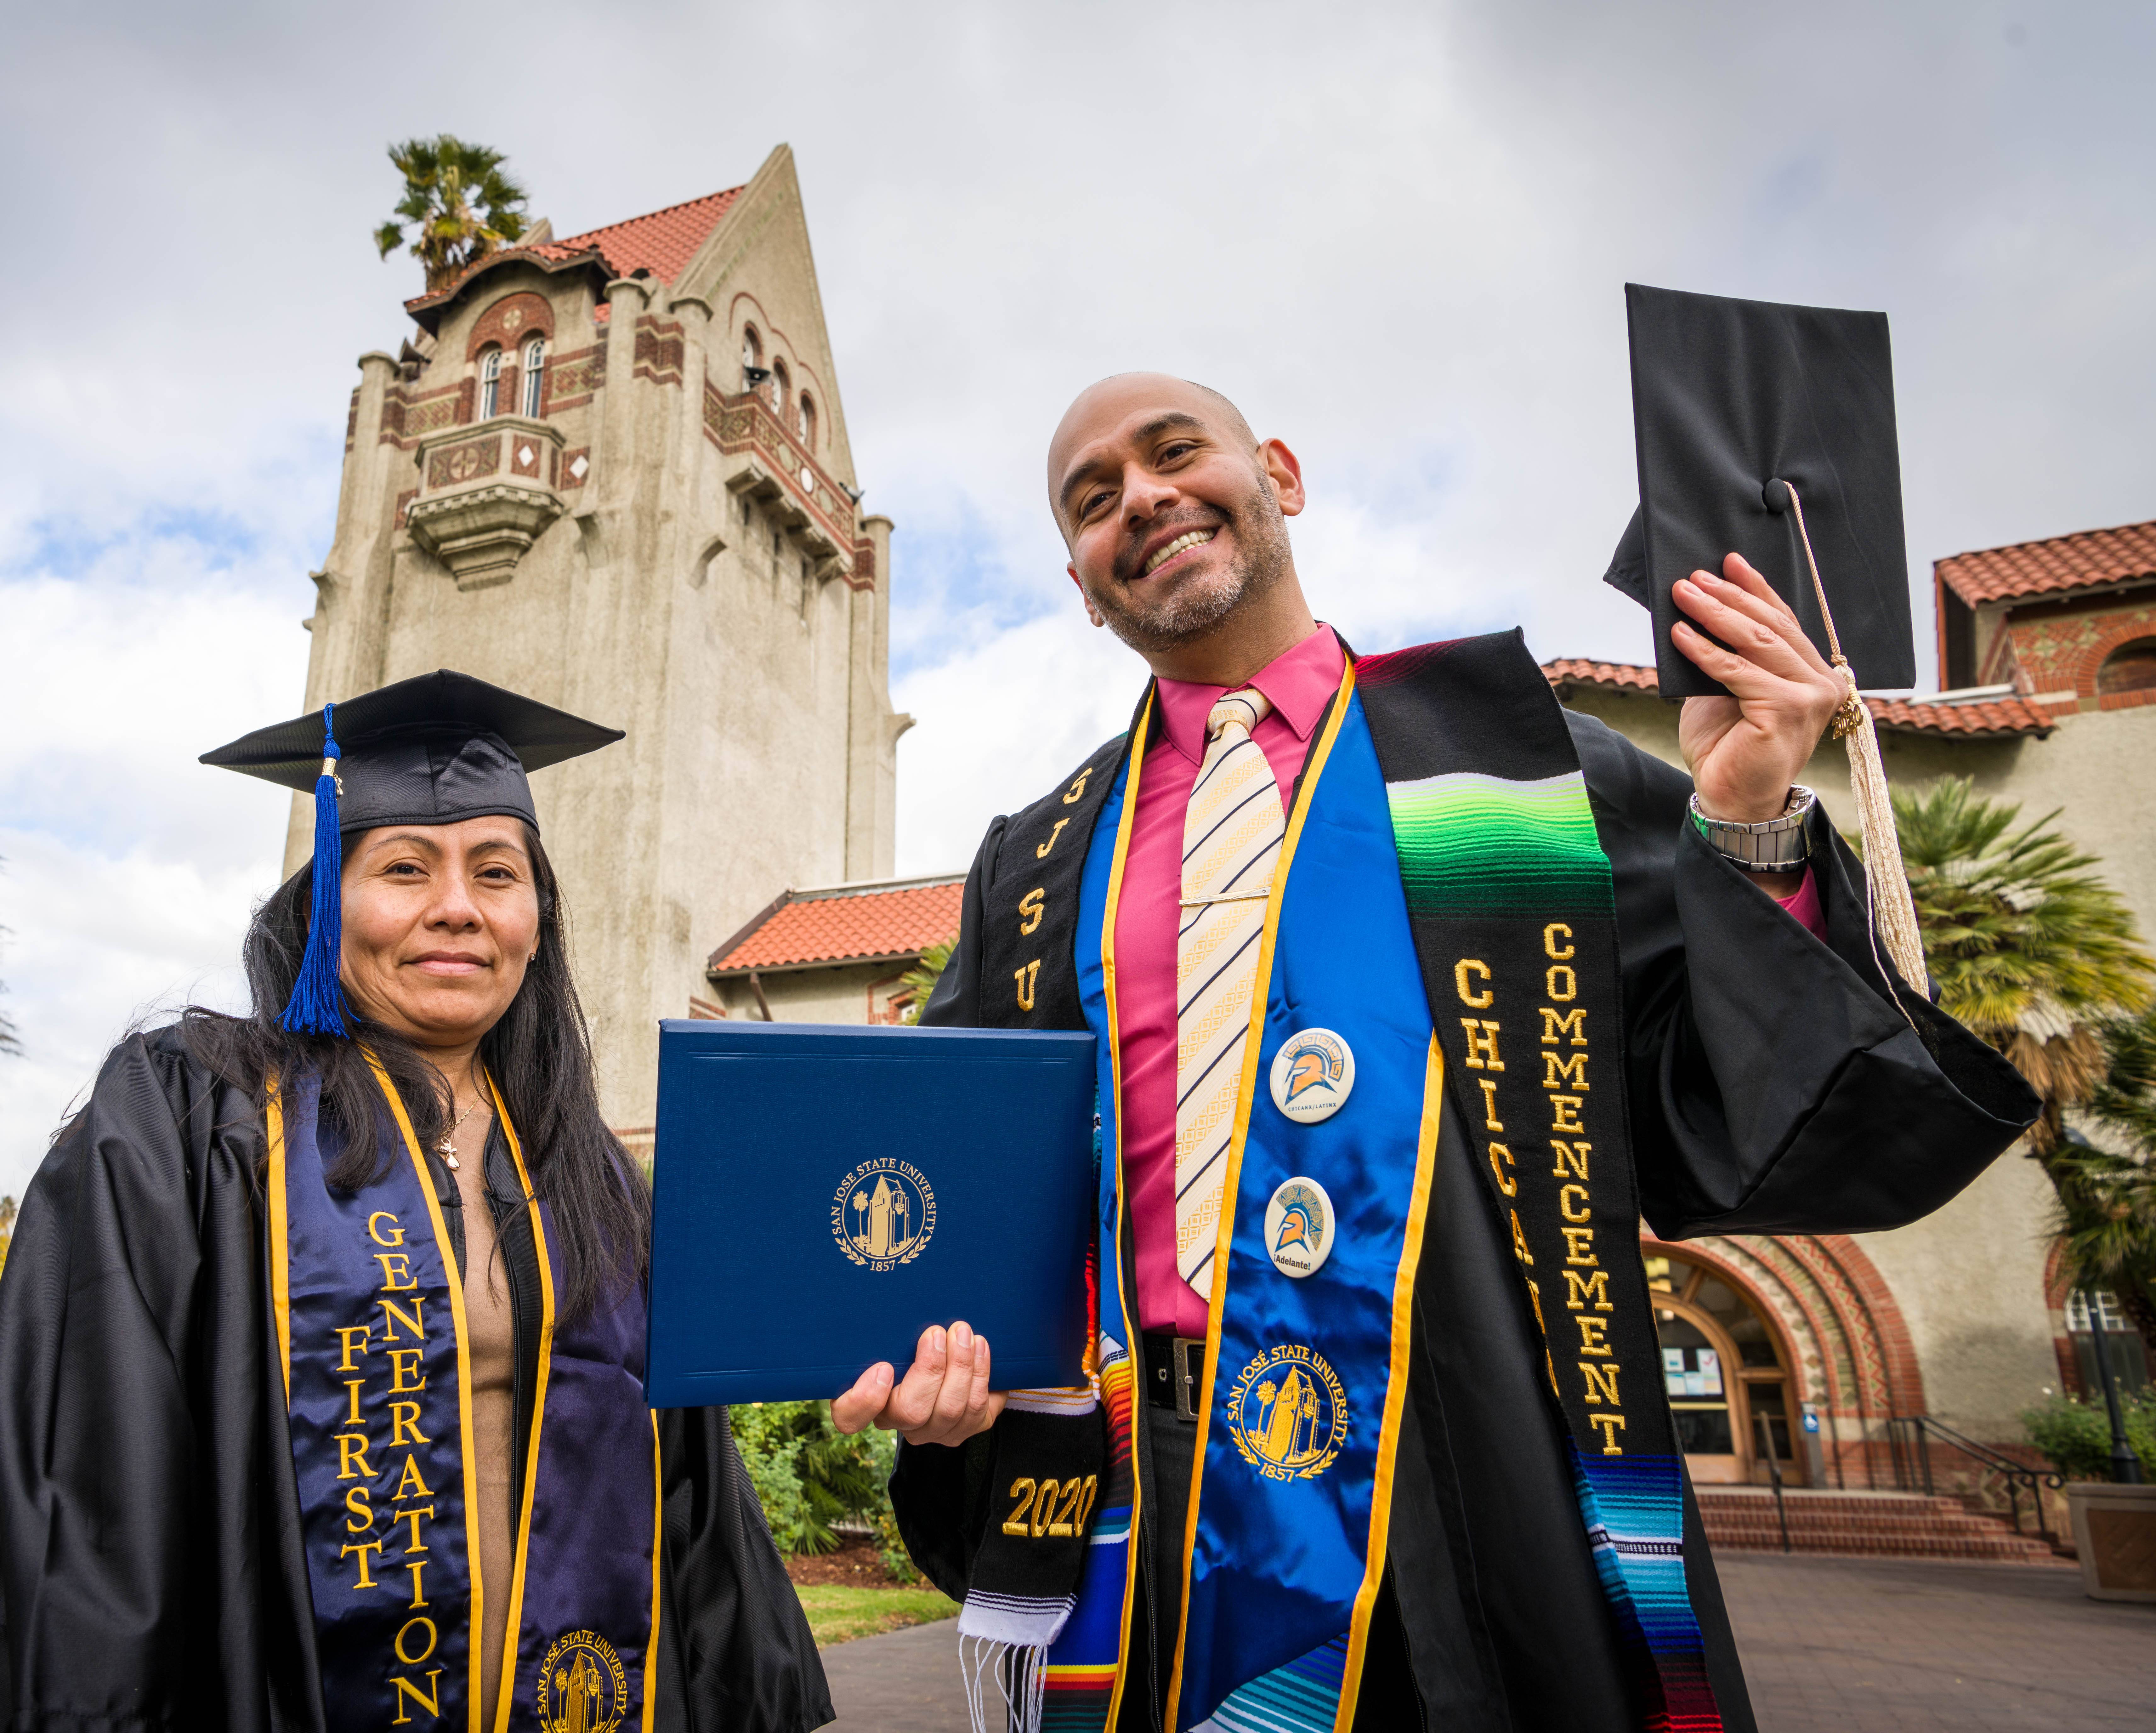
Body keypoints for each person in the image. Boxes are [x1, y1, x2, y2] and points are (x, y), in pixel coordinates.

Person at [832, 375, 2035, 1732]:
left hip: (1449, 1460)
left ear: (1281, 473)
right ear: (1081, 583)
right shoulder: (1040, 858)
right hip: (1135, 1477)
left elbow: (1708, 1103)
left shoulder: (1512, 779)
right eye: (1095, 499)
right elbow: (951, 1159)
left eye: (1176, 456)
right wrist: (909, 1344)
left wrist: (1750, 822)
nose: (1143, 499)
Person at [0, 671, 832, 1733]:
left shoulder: (591, 1179)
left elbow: (692, 1503)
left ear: (536, 923)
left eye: (497, 874)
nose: (458, 907)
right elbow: (86, 1477)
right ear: (324, 909)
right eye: (404, 868)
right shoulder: (195, 1120)